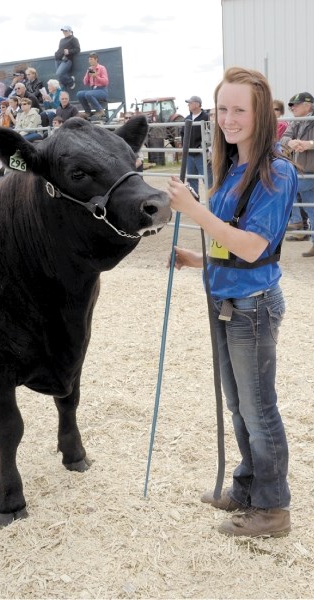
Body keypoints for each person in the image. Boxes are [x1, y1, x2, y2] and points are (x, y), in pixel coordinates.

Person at [168, 67, 297, 538]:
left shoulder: (276, 172)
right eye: (223, 109)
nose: (228, 118)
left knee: (259, 410)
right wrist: (196, 258)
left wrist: (194, 211)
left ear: (261, 114)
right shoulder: (232, 170)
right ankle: (246, 489)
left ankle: (273, 508)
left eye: (239, 109)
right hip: (224, 299)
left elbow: (253, 247)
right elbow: (229, 244)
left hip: (253, 307)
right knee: (240, 407)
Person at [281, 92, 314, 255]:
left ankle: (296, 222)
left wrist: (309, 144)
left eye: (295, 104)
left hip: (309, 172)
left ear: (307, 106)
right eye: (290, 105)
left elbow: (309, 143)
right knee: (311, 208)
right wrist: (291, 142)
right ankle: (305, 233)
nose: (291, 108)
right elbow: (283, 139)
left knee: (285, 185)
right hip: (303, 171)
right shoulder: (295, 122)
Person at [182, 95, 209, 195]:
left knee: (208, 180)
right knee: (191, 181)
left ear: (197, 104)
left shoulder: (206, 117)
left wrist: (203, 147)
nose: (188, 105)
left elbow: (209, 133)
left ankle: (212, 206)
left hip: (202, 154)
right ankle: (194, 203)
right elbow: (182, 133)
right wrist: (184, 147)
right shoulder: (187, 119)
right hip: (190, 154)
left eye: (190, 103)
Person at [76, 52, 109, 120]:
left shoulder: (102, 68)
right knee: (79, 94)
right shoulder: (90, 69)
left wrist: (96, 77)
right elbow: (85, 82)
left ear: (96, 59)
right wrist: (88, 74)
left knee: (88, 94)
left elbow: (106, 82)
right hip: (93, 90)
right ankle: (88, 111)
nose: (89, 61)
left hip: (102, 90)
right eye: (89, 60)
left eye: (91, 59)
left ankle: (100, 111)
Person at [54, 26, 80, 91]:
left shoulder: (74, 39)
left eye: (65, 31)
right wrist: (56, 53)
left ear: (70, 31)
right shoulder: (61, 40)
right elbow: (60, 49)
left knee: (59, 74)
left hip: (66, 60)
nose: (64, 32)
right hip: (58, 60)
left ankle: (71, 81)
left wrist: (69, 51)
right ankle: (64, 96)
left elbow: (78, 49)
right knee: (60, 80)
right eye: (63, 31)